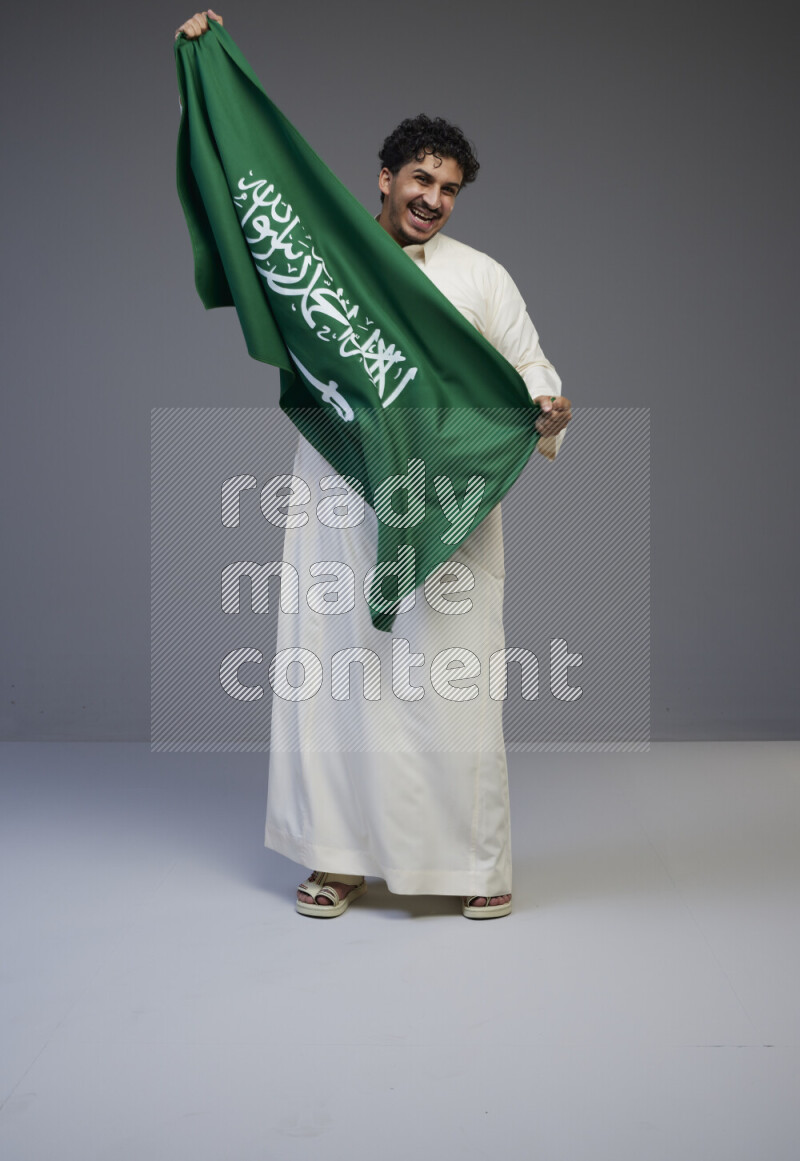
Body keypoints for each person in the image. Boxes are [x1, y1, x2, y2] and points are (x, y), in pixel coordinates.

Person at [176, 11, 572, 919]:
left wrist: (548, 405)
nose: (434, 197)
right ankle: (338, 856)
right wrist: (207, 64)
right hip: (338, 492)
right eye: (422, 179)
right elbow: (244, 207)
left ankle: (478, 861)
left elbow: (529, 364)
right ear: (385, 178)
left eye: (451, 187)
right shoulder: (325, 263)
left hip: (449, 501)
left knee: (454, 679)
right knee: (339, 670)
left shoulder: (481, 276)